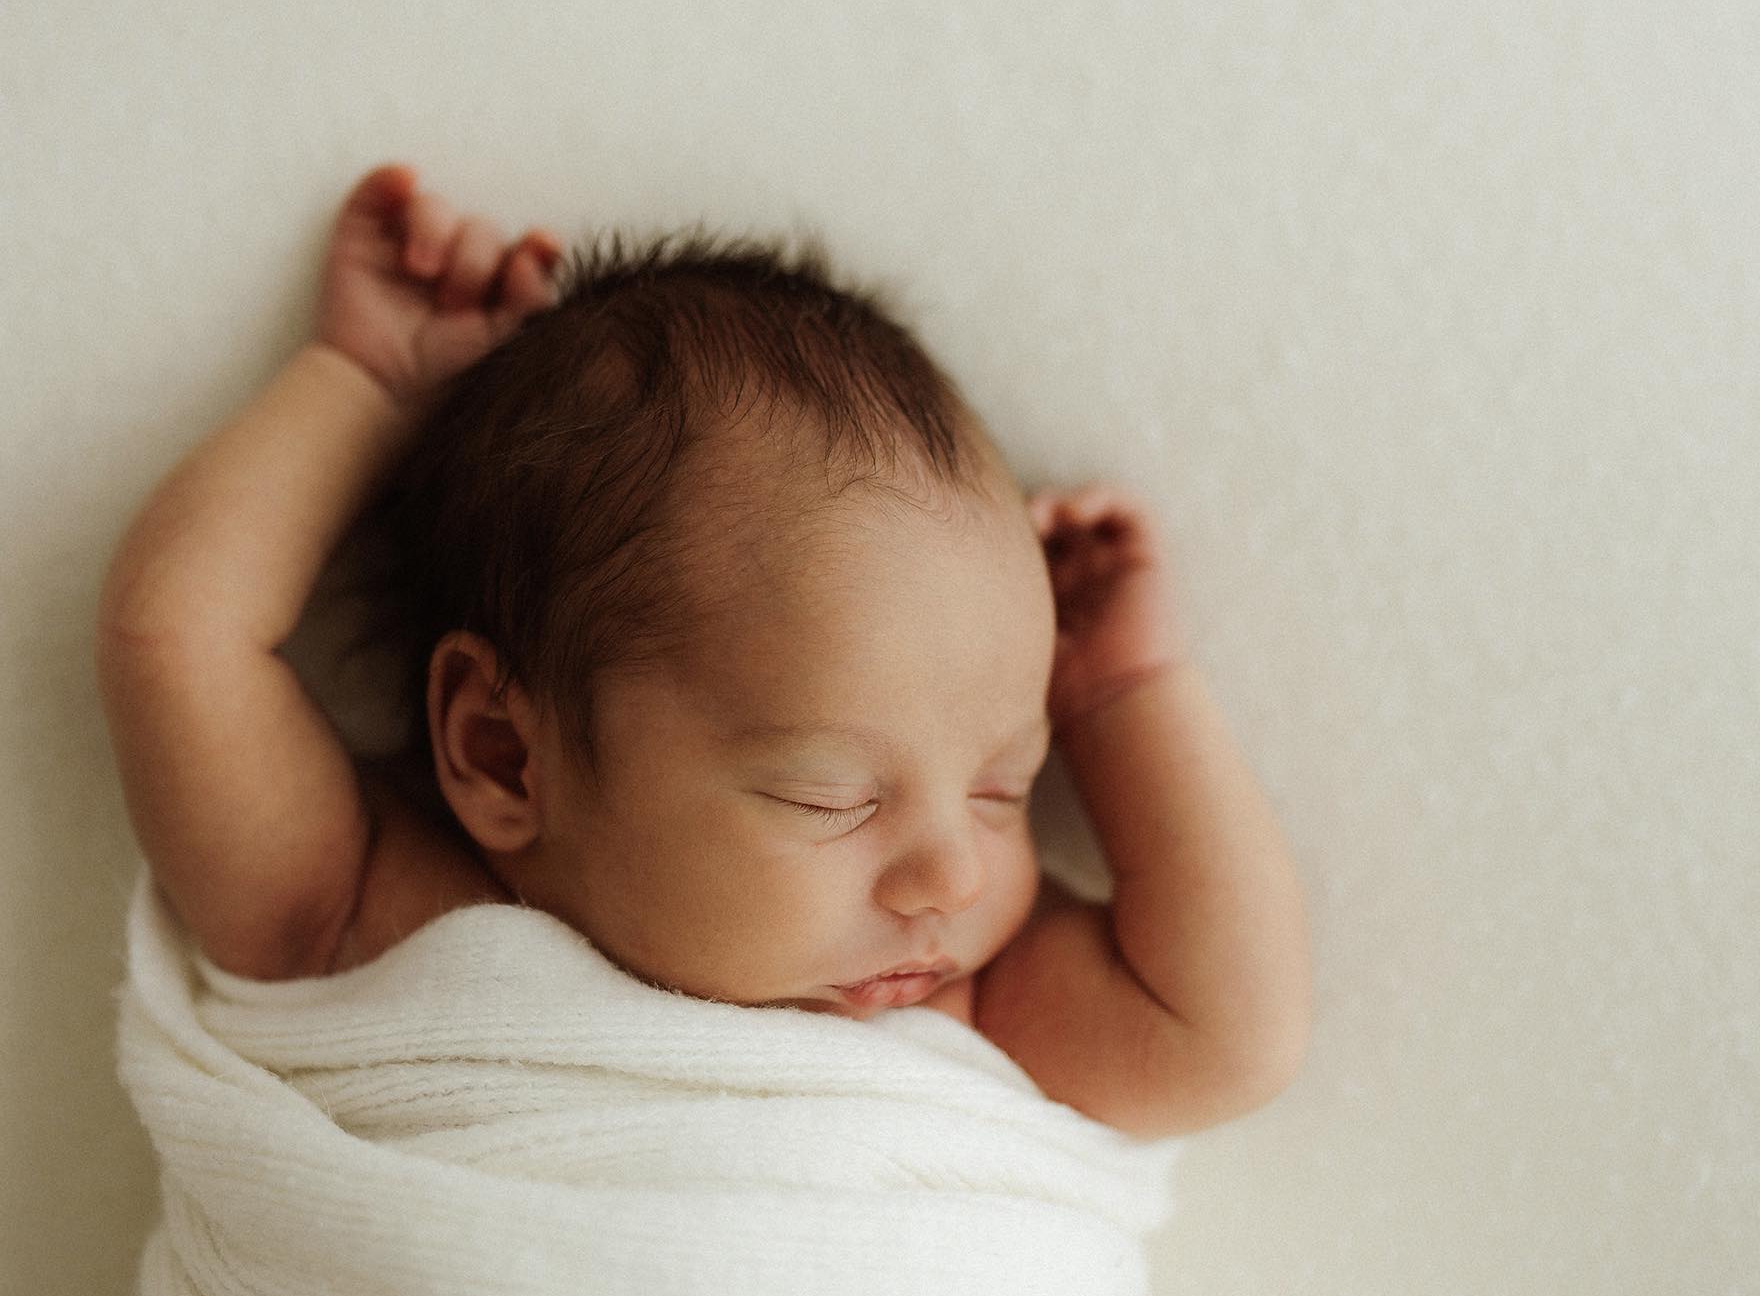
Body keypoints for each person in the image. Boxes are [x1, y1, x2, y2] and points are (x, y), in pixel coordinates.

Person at [95, 160, 1311, 1140]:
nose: (951, 875)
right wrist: (362, 388)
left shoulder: (957, 999)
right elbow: (181, 639)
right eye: (829, 794)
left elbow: (1223, 1034)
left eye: (1004, 788)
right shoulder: (383, 919)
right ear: (503, 753)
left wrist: (1124, 697)